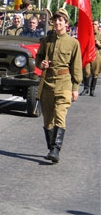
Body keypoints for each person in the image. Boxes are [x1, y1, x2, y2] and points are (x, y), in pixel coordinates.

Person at [35, 8, 82, 163]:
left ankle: (56, 150)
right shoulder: (46, 41)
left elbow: (76, 67)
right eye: (55, 20)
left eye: (60, 20)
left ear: (66, 23)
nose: (57, 22)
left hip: (64, 83)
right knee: (48, 119)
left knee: (60, 115)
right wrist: (41, 64)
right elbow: (38, 58)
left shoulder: (73, 43)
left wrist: (75, 88)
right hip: (47, 83)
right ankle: (51, 146)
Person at [80, 20, 101, 96]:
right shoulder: (88, 34)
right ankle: (86, 89)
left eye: (95, 24)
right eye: (93, 24)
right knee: (86, 71)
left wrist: (99, 44)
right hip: (88, 55)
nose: (94, 25)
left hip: (96, 55)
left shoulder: (99, 34)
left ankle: (92, 90)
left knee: (95, 73)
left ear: (98, 25)